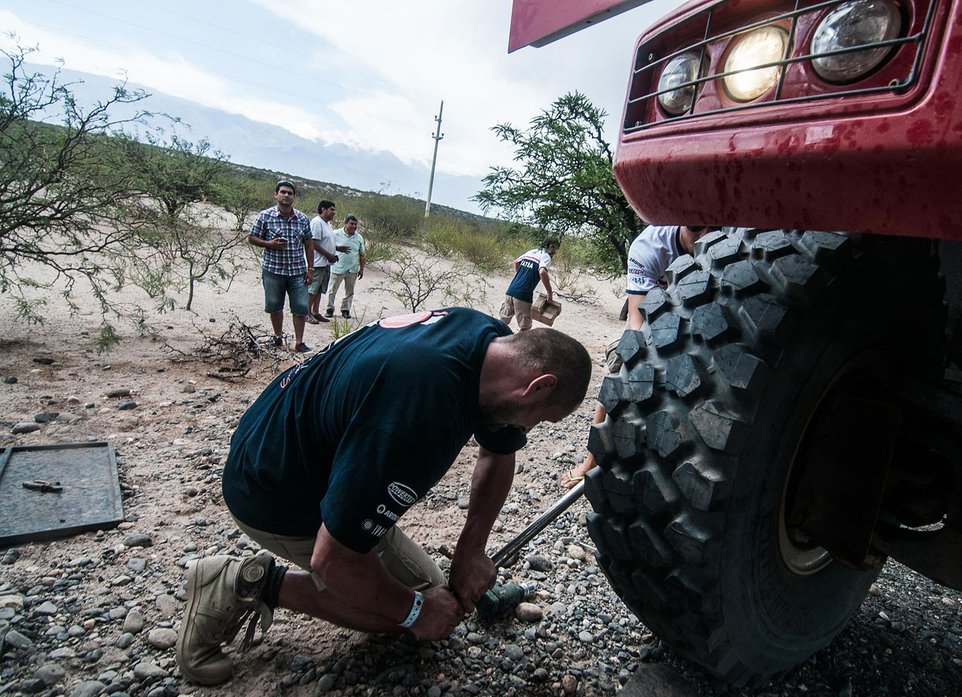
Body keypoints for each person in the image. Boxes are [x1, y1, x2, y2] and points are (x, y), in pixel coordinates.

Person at [175, 307, 592, 685]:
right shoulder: (419, 415)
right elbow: (331, 560)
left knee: (429, 590)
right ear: (538, 386)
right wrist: (416, 613)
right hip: (271, 488)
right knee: (413, 611)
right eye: (545, 417)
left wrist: (472, 549)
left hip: (289, 440)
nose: (534, 428)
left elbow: (498, 449)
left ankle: (367, 555)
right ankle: (248, 583)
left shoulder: (488, 341)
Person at [560, 225, 720, 488]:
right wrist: (641, 359)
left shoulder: (722, 240)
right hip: (653, 321)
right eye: (695, 230)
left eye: (711, 229)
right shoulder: (649, 247)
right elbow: (637, 321)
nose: (704, 238)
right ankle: (591, 459)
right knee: (620, 365)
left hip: (700, 318)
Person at [247, 180, 315, 354]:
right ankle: (278, 338)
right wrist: (269, 243)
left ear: (294, 197)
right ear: (275, 194)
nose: (286, 195)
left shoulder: (302, 218)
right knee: (274, 305)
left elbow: (308, 244)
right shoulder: (265, 216)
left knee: (300, 307)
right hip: (273, 270)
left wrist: (310, 269)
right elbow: (252, 237)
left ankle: (299, 343)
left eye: (290, 193)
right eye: (283, 192)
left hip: (297, 271)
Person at [499, 237, 557, 332]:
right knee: (525, 327)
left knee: (503, 321)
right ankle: (517, 346)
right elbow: (542, 272)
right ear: (550, 246)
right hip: (523, 295)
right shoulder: (545, 256)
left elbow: (516, 262)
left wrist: (521, 275)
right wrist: (549, 293)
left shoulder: (532, 252)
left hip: (510, 291)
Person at [326, 214, 366, 319]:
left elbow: (362, 254)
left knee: (350, 291)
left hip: (352, 269)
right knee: (332, 290)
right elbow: (327, 247)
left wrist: (361, 269)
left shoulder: (359, 237)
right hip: (337, 267)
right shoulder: (335, 234)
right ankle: (329, 308)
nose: (353, 226)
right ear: (345, 223)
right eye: (351, 224)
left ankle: (345, 309)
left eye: (355, 224)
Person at [307, 200, 339, 324]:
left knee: (320, 289)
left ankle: (315, 311)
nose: (334, 213)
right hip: (317, 262)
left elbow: (326, 242)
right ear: (323, 209)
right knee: (312, 289)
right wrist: (328, 255)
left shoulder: (327, 224)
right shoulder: (316, 223)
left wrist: (335, 251)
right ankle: (307, 313)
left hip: (325, 263)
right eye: (332, 210)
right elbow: (313, 243)